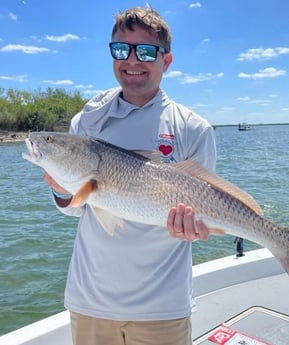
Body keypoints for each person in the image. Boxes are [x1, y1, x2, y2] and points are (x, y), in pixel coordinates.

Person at [44, 5, 216, 345]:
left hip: (163, 308)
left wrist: (195, 228)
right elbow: (75, 207)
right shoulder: (87, 121)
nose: (132, 61)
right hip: (91, 300)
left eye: (147, 51)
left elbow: (206, 211)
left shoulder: (194, 128)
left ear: (166, 61)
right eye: (122, 49)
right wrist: (63, 190)